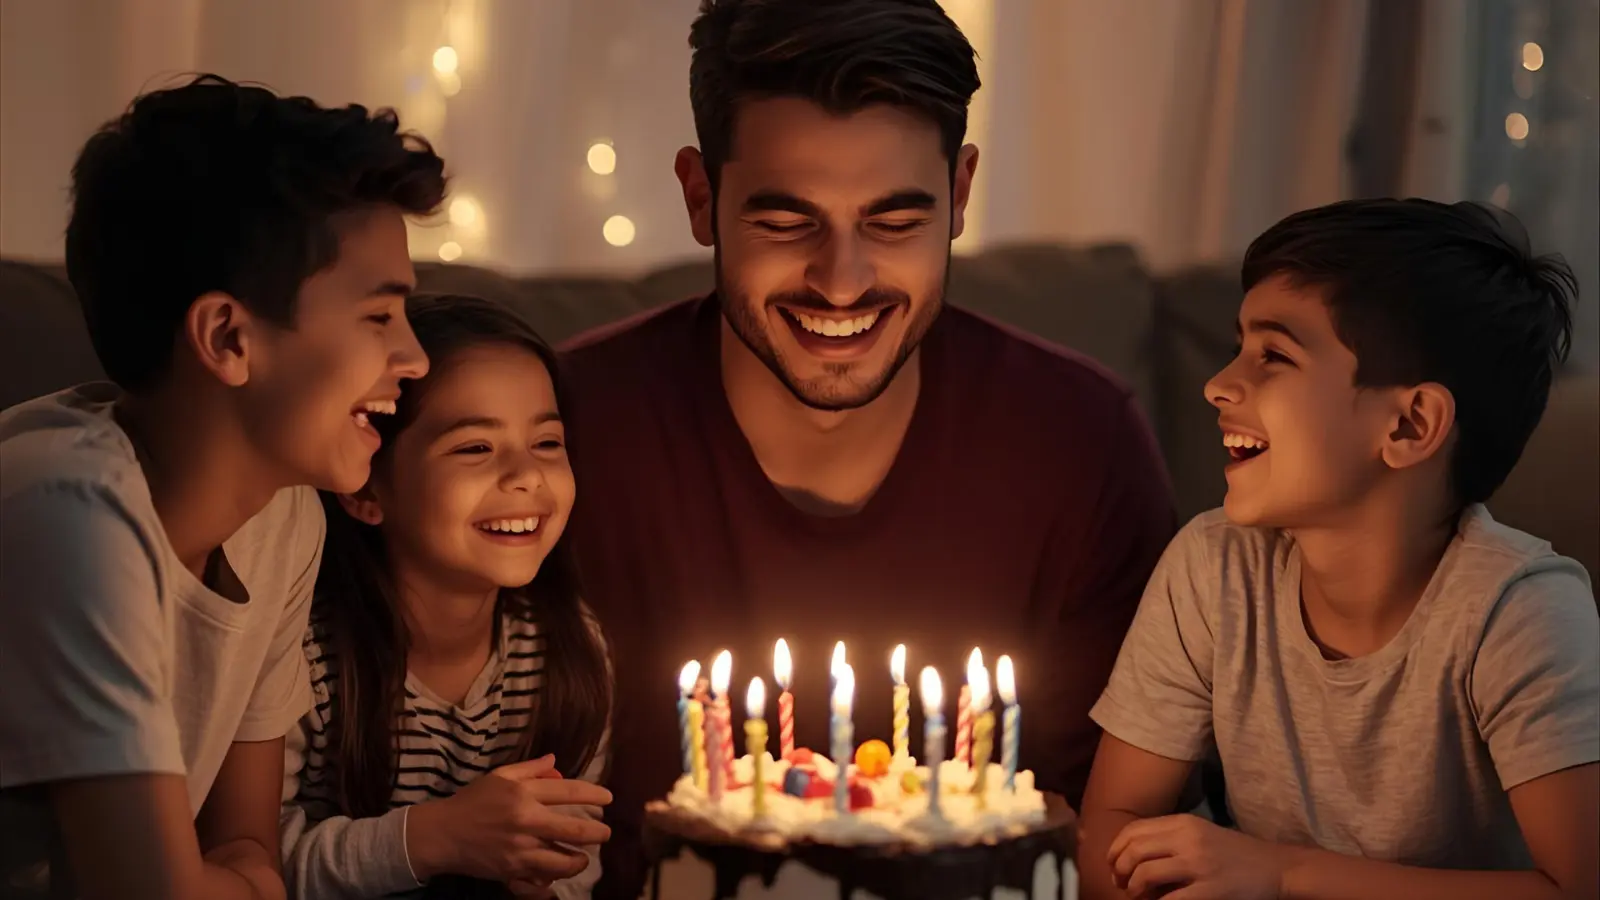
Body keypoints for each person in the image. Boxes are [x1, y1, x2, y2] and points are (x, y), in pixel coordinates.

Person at [557, 1, 1177, 894]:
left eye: (893, 221)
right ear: (701, 198)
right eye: (785, 220)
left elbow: (1110, 838)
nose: (840, 281)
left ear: (960, 194)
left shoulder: (1081, 442)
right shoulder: (557, 434)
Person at [0, 75, 444, 900]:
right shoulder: (70, 512)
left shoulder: (282, 518)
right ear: (227, 337)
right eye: (380, 317)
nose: (415, 360)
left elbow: (249, 848)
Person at [1078, 199, 1599, 900]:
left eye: (1274, 356)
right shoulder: (1213, 567)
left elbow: (1576, 887)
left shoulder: (1519, 613)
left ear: (1411, 424)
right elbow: (1112, 822)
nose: (1219, 383)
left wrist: (1283, 874)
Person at [280, 294, 614, 900]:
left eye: (547, 443)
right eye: (474, 448)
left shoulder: (567, 647)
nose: (525, 475)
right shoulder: (304, 657)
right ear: (365, 491)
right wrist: (431, 838)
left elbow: (575, 853)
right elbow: (258, 862)